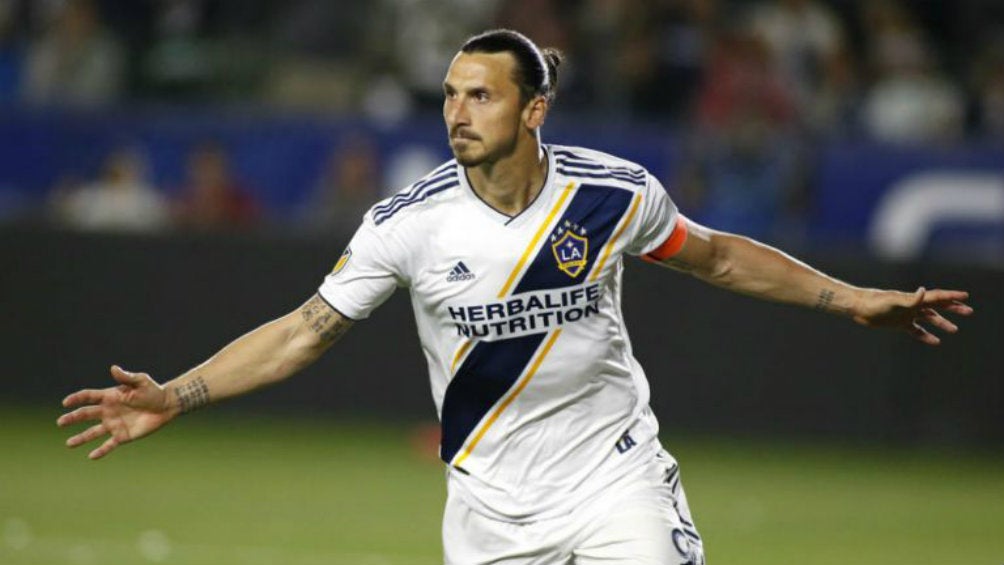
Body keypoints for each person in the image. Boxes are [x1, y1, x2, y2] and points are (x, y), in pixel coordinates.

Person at [58, 29, 972, 565]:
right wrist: (175, 395)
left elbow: (720, 257)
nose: (457, 112)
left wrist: (851, 299)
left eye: (481, 96)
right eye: (450, 95)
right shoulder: (408, 222)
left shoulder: (612, 194)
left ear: (533, 110)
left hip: (615, 480)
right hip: (489, 511)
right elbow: (303, 331)